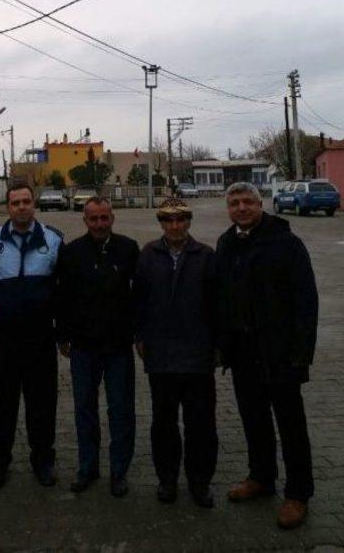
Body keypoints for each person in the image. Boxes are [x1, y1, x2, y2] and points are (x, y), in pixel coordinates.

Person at [216, 182, 318, 530]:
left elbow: (306, 301)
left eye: (248, 202)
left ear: (261, 205)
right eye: (235, 203)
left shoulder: (286, 244)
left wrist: (301, 353)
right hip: (243, 352)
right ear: (228, 208)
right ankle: (261, 477)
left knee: (291, 424)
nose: (241, 208)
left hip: (281, 351)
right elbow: (222, 298)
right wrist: (223, 347)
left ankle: (298, 493)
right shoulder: (227, 243)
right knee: (253, 419)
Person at [134, 197, 218, 508]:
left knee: (201, 424)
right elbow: (139, 301)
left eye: (180, 219)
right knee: (164, 422)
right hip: (162, 355)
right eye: (168, 220)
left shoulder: (206, 256)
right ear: (161, 224)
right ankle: (167, 479)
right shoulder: (148, 255)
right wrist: (139, 336)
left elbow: (217, 304)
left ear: (189, 222)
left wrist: (218, 345)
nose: (175, 226)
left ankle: (200, 482)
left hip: (197, 354)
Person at [0, 183, 63, 489]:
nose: (21, 207)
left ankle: (43, 461)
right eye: (15, 202)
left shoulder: (54, 240)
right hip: (4, 340)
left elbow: (62, 289)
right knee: (3, 403)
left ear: (34, 204)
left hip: (41, 338)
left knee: (42, 403)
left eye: (27, 201)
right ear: (7, 207)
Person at [56, 197, 139, 498]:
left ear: (112, 218)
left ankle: (119, 472)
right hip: (83, 347)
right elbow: (63, 296)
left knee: (121, 410)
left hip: (118, 346)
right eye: (94, 219)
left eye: (105, 218)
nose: (100, 224)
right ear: (85, 220)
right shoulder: (72, 253)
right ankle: (87, 468)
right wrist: (62, 335)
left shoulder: (128, 249)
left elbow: (139, 295)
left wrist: (139, 334)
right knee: (85, 410)